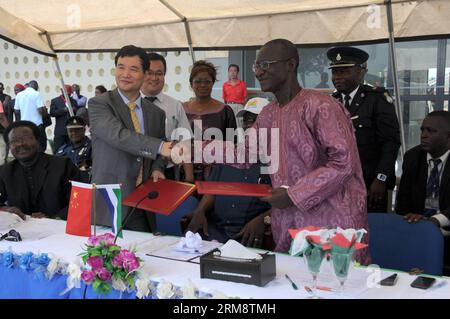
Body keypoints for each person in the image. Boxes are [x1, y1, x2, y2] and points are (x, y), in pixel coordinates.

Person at [177, 39, 369, 263]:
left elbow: (343, 163)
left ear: (290, 65)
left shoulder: (321, 106)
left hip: (331, 221)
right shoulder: (268, 113)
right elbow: (246, 154)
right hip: (288, 221)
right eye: (256, 66)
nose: (258, 72)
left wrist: (294, 194)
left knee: (333, 287)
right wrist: (193, 148)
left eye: (265, 65)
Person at [88, 45, 175, 233]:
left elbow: (160, 148)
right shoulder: (99, 104)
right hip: (110, 199)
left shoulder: (156, 113)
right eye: (121, 67)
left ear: (145, 74)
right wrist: (160, 147)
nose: (125, 74)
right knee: (104, 257)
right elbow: (118, 136)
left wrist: (158, 168)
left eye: (133, 69)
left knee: (140, 256)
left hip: (143, 202)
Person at [187, 97, 272, 246]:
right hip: (214, 234)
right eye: (246, 120)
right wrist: (200, 210)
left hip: (250, 238)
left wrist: (264, 220)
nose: (249, 125)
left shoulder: (279, 161)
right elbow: (213, 189)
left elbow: (288, 202)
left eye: (256, 120)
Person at [328, 46, 401, 212]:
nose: (337, 77)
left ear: (361, 72)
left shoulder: (376, 99)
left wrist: (381, 179)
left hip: (369, 184)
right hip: (337, 183)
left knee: (370, 232)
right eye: (335, 72)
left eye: (344, 71)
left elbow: (391, 142)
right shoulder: (331, 102)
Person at [0, 121, 84, 220]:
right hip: (22, 229)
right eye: (14, 141)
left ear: (37, 140)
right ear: (9, 146)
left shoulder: (63, 165)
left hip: (61, 227)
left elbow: (80, 200)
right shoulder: (5, 172)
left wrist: (53, 219)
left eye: (26, 138)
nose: (20, 144)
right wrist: (7, 210)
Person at [140, 52, 194, 181]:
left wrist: (189, 178)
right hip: (134, 172)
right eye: (149, 72)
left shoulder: (175, 106)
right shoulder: (129, 104)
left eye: (159, 73)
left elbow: (185, 143)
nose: (154, 78)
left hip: (166, 172)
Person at [183, 60, 237, 181]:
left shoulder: (225, 111)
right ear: (191, 83)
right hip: (184, 176)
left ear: (213, 83)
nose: (203, 85)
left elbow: (231, 147)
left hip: (216, 175)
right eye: (198, 81)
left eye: (207, 81)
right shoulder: (181, 109)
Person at [396, 111, 450, 225]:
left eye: (431, 131)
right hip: (417, 226)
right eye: (422, 130)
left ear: (448, 136)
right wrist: (410, 217)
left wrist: (436, 220)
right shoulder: (412, 157)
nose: (423, 135)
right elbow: (402, 202)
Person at [13, 80, 49, 152]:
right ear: (36, 87)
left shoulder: (19, 95)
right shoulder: (36, 94)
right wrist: (45, 110)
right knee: (41, 145)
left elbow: (16, 110)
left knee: (27, 145)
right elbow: (40, 110)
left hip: (24, 125)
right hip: (37, 125)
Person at [50, 84, 79, 151]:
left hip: (71, 131)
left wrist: (75, 109)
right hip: (60, 131)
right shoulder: (55, 101)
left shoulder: (73, 101)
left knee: (72, 150)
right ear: (61, 91)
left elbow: (77, 113)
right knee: (58, 150)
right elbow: (52, 113)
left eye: (69, 94)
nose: (67, 95)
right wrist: (63, 110)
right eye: (66, 93)